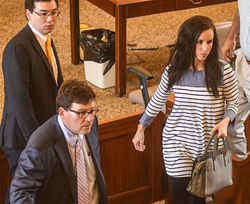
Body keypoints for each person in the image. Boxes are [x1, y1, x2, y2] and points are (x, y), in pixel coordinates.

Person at [132, 16, 239, 204]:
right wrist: (141, 128)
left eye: (209, 42)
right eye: (199, 42)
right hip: (177, 144)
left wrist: (225, 121)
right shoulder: (174, 71)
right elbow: (157, 100)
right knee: (181, 199)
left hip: (208, 148)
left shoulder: (223, 71)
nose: (205, 48)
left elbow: (233, 103)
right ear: (188, 41)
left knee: (198, 201)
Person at [0, 0, 63, 203]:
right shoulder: (17, 49)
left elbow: (55, 85)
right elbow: (21, 103)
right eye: (43, 14)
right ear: (28, 14)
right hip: (22, 138)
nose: (50, 19)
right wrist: (36, 143)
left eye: (54, 13)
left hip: (44, 130)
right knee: (24, 193)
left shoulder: (46, 39)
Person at [9, 79, 109, 204]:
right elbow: (19, 194)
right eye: (81, 112)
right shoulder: (40, 147)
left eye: (92, 111)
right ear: (62, 112)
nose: (89, 119)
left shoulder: (90, 127)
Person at [221, 0, 249, 161]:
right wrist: (232, 35)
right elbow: (243, 10)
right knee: (231, 121)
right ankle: (241, 174)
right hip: (243, 62)